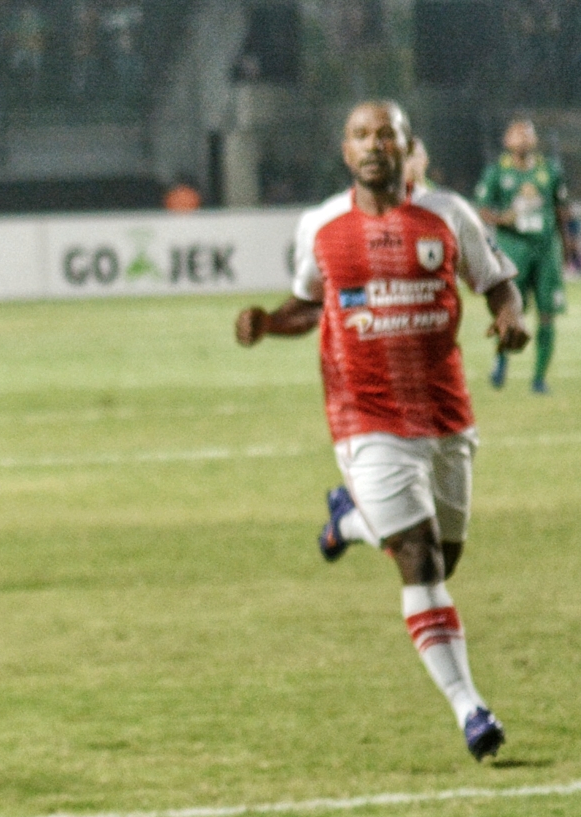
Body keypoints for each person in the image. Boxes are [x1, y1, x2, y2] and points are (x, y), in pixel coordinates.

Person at [233, 101, 527, 762]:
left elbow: (498, 282)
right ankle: (471, 710)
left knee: (444, 560)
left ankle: (351, 522)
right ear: (346, 152)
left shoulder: (449, 217)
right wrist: (267, 323)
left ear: (406, 147)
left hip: (446, 413)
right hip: (364, 416)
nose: (373, 145)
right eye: (361, 136)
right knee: (420, 560)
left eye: (385, 135)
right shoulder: (322, 225)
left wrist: (508, 320)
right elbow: (311, 302)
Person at [473, 118, 569, 393]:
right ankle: (501, 361)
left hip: (546, 251)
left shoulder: (549, 170)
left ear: (535, 140)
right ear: (507, 141)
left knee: (547, 314)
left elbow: (561, 210)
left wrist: (566, 247)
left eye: (528, 133)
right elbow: (481, 208)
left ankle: (539, 379)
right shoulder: (497, 172)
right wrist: (503, 218)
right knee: (510, 310)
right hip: (513, 249)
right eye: (517, 134)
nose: (523, 138)